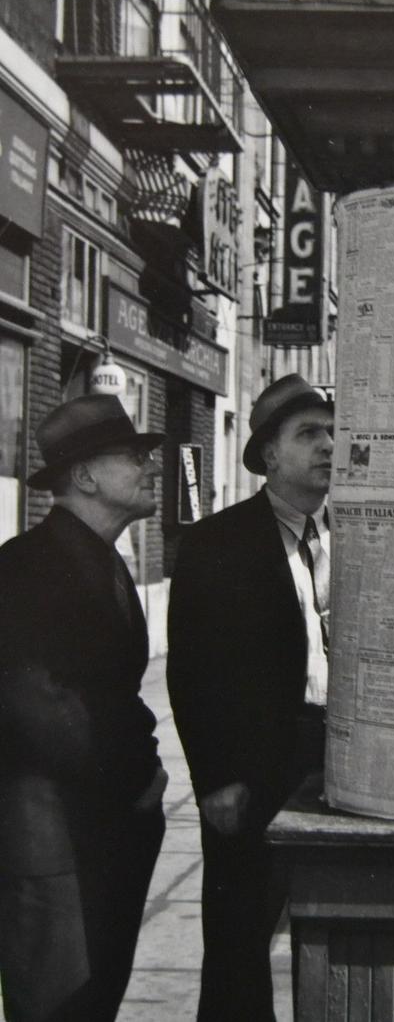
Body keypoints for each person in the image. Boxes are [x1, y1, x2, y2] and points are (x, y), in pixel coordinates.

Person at [167, 373, 333, 1022]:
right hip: (257, 767)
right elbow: (192, 673)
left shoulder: (355, 536)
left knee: (333, 923)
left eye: (333, 433)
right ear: (269, 454)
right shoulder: (218, 543)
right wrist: (215, 780)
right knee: (240, 940)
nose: (328, 446)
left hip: (338, 757)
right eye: (309, 434)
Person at [0, 394, 168, 1022]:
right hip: (53, 854)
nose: (150, 468)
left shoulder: (103, 560)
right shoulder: (26, 567)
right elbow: (38, 707)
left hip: (102, 838)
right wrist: (138, 771)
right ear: (87, 476)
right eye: (134, 457)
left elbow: (109, 694)